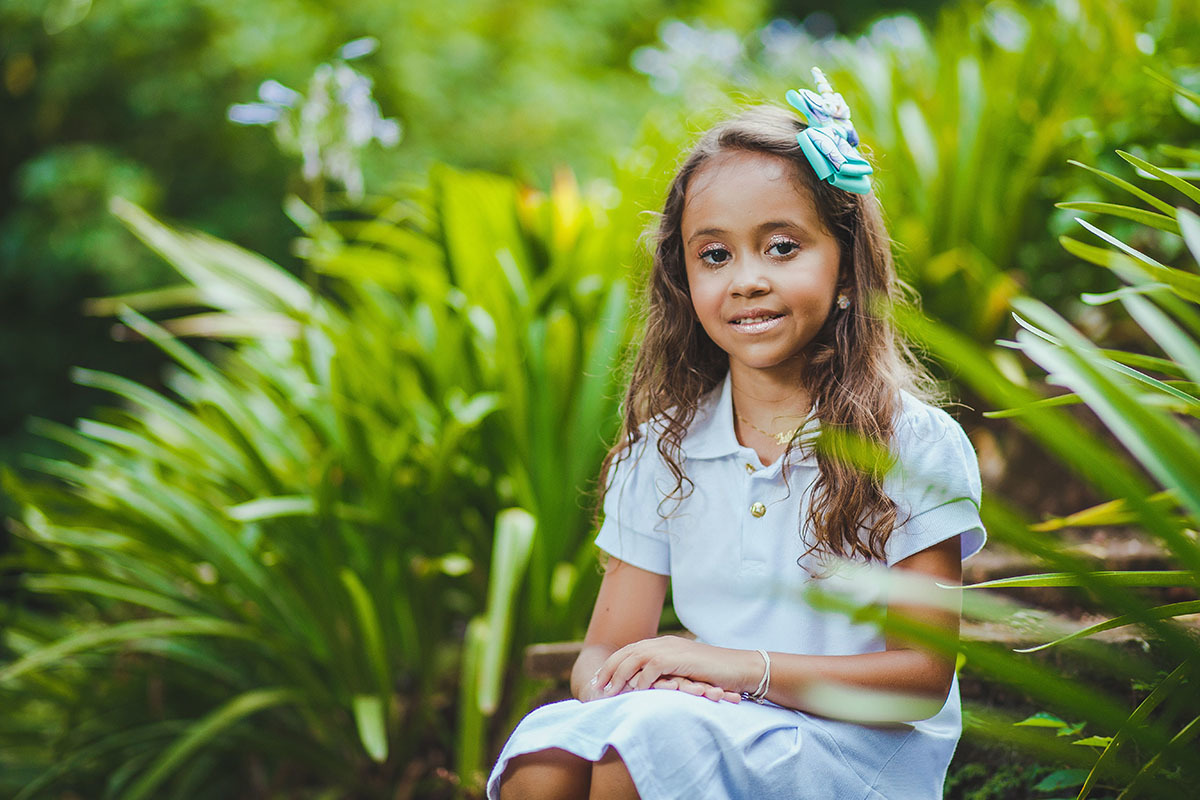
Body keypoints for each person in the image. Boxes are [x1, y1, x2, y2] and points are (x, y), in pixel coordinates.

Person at [487, 67, 986, 800]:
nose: (746, 279)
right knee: (546, 758)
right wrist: (639, 681)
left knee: (642, 749)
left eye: (782, 246)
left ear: (848, 266)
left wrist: (737, 668)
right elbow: (600, 652)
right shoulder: (662, 450)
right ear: (683, 281)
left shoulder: (912, 444)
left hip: (856, 750)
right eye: (715, 255)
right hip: (713, 719)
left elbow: (919, 680)